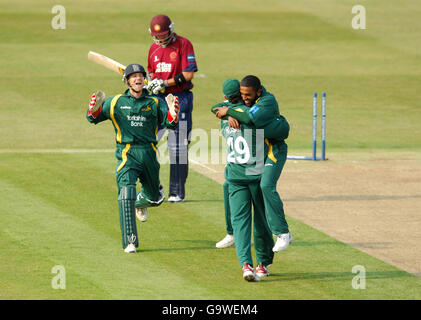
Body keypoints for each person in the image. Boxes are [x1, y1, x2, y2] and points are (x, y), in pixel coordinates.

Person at [86, 63, 179, 253]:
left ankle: (139, 202)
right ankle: (130, 242)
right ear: (127, 81)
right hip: (127, 153)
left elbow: (171, 124)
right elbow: (93, 119)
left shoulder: (154, 102)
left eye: (140, 76)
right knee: (125, 193)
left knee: (155, 198)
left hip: (149, 153)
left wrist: (173, 113)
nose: (138, 79)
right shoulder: (116, 102)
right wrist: (93, 110)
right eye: (133, 76)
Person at [214, 75, 293, 253]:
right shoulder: (241, 102)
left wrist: (229, 112)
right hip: (254, 154)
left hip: (273, 149)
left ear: (257, 92)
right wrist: (228, 114)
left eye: (247, 95)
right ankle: (231, 233)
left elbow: (249, 118)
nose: (244, 98)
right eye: (240, 95)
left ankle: (282, 233)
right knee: (229, 184)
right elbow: (215, 107)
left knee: (265, 186)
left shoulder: (267, 101)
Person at [217, 79, 274, 281]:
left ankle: (246, 265)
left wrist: (228, 111)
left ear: (226, 98)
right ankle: (262, 264)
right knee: (261, 222)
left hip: (234, 175)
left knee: (240, 223)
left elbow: (219, 108)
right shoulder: (252, 115)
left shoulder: (223, 116)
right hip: (256, 174)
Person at [146, 14, 198, 203]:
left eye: (163, 35)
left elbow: (188, 73)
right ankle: (152, 185)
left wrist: (164, 83)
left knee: (177, 147)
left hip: (179, 98)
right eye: (157, 36)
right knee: (147, 142)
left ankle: (176, 191)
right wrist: (149, 83)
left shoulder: (184, 44)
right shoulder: (153, 49)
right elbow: (151, 72)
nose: (160, 39)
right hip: (157, 100)